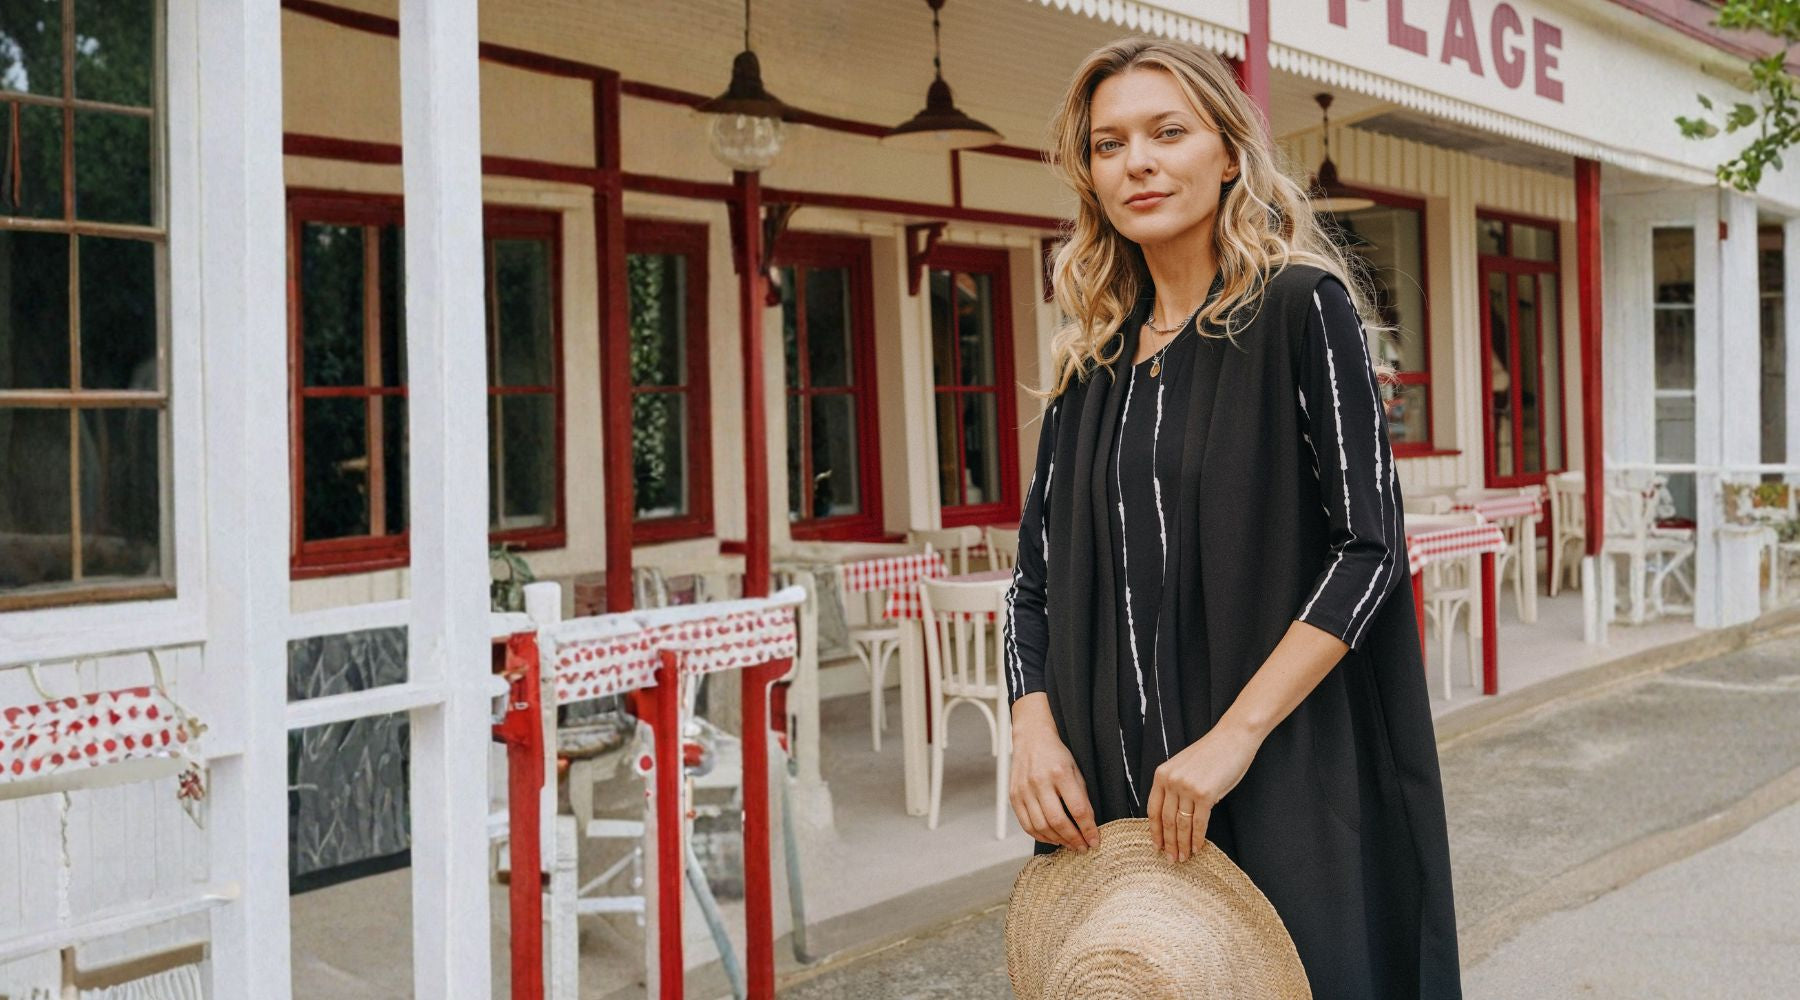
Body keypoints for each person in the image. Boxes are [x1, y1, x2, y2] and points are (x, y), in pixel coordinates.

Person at [1002, 36, 1462, 998]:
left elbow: (1370, 549)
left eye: (1168, 132)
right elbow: (1031, 578)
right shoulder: (1092, 364)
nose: (1138, 162)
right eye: (1109, 144)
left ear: (1227, 153)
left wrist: (1234, 738)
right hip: (1113, 796)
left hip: (1277, 771)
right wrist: (1031, 728)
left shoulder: (1302, 309)